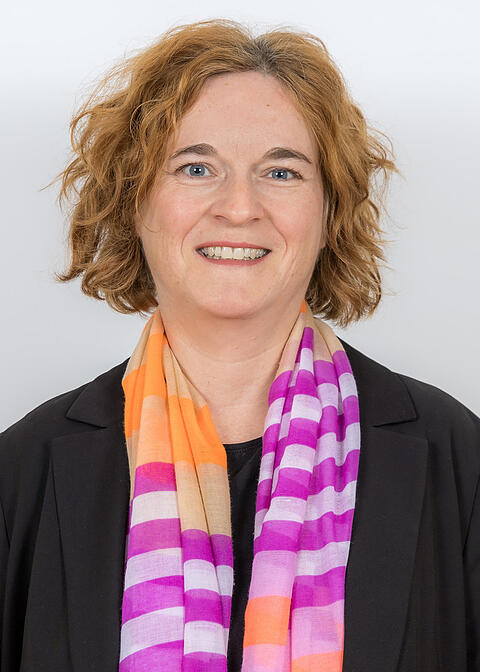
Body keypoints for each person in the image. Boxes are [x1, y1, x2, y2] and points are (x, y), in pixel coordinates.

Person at [0, 17, 479, 672]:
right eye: (196, 168)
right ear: (135, 203)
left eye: (281, 172)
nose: (238, 207)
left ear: (329, 210)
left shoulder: (457, 456)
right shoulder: (22, 470)